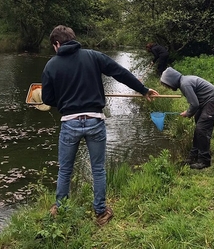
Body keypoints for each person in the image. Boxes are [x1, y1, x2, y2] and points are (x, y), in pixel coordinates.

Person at [41, 25, 159, 226]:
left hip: (69, 123)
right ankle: (101, 212)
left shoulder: (51, 66)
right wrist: (143, 90)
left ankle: (60, 209)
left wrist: (63, 98)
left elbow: (48, 98)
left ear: (57, 44)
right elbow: (120, 73)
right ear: (73, 39)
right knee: (98, 169)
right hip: (95, 120)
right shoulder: (93, 56)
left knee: (65, 170)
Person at [160, 67, 214, 169]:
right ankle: (193, 156)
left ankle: (204, 161)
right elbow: (195, 102)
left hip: (212, 101)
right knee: (199, 129)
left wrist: (188, 113)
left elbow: (194, 104)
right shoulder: (184, 81)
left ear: (171, 80)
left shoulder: (185, 84)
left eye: (167, 85)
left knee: (202, 129)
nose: (169, 87)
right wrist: (190, 112)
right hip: (204, 103)